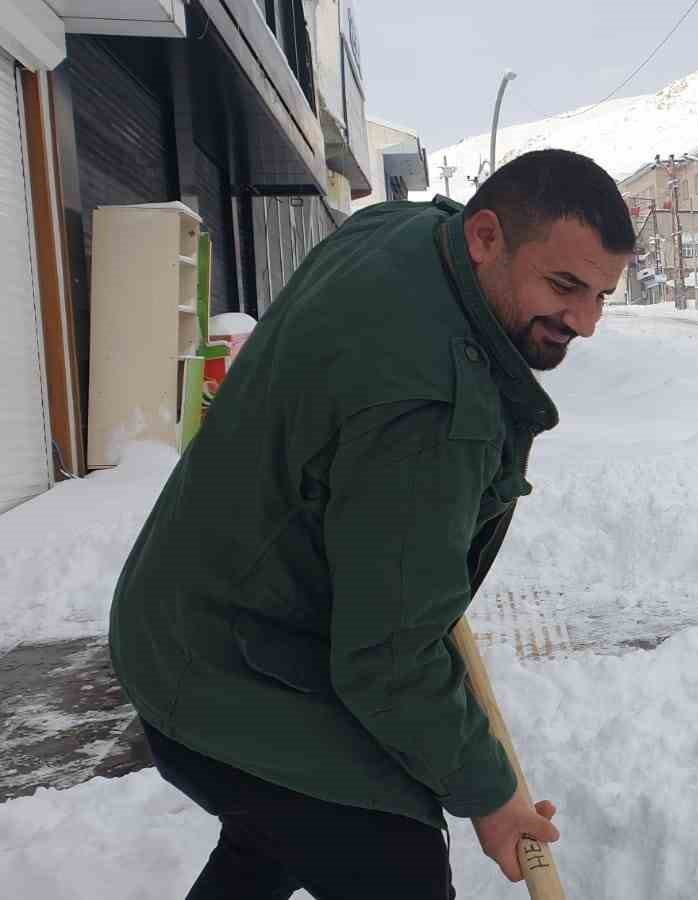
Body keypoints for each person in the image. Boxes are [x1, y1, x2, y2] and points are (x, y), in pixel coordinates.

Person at [108, 149, 634, 899]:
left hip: (187, 610)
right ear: (485, 237)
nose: (584, 322)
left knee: (286, 828)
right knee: (395, 855)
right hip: (223, 663)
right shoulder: (431, 410)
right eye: (564, 286)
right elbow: (388, 658)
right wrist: (489, 795)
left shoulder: (404, 231)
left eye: (602, 295)